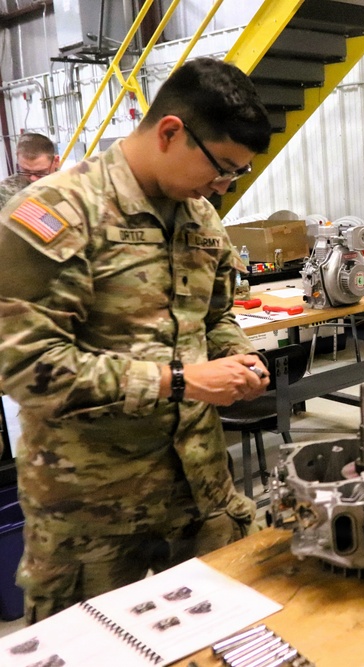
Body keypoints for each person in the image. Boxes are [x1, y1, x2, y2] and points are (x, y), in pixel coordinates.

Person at [0, 57, 273, 622]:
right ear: (172, 132)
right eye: (222, 166)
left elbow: (216, 313)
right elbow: (26, 367)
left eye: (236, 174)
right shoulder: (56, 213)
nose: (223, 185)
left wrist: (234, 355)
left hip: (201, 495)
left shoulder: (200, 217)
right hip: (93, 516)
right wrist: (178, 380)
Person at [0, 132, 59, 208]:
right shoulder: (4, 192)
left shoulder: (71, 186)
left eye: (40, 172)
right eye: (25, 171)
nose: (33, 178)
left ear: (56, 161)